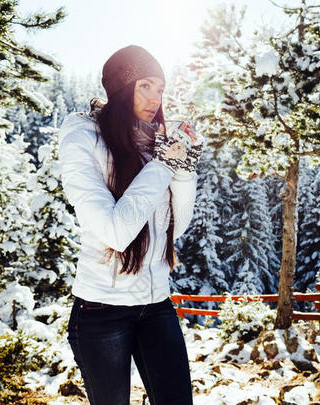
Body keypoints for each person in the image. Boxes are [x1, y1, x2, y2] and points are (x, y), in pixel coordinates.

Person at [57, 45, 201, 405]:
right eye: (145, 86)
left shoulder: (152, 143)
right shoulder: (83, 140)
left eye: (161, 89)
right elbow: (116, 233)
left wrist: (184, 172)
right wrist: (164, 165)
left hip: (155, 306)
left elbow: (174, 229)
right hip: (101, 311)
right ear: (121, 89)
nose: (156, 98)